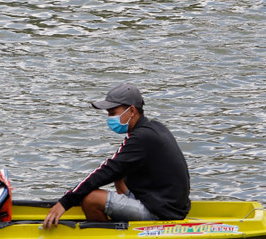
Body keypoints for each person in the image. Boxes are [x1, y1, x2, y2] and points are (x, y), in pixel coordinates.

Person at [41, 82, 190, 228]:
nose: (110, 118)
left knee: (90, 199)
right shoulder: (155, 127)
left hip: (161, 212)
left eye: (113, 113)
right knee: (119, 176)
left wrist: (65, 202)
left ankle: (107, 238)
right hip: (168, 204)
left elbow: (108, 170)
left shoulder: (141, 137)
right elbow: (115, 169)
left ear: (131, 111)